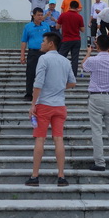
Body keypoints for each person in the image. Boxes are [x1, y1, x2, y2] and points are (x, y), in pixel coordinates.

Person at [25, 32, 76, 187]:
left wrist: (33, 104)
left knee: (40, 139)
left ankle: (35, 176)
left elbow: (38, 82)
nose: (41, 44)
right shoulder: (65, 61)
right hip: (60, 105)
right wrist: (59, 87)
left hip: (44, 105)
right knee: (58, 139)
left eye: (43, 41)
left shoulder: (44, 59)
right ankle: (61, 176)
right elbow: (72, 82)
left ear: (51, 44)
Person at [82, 34, 109, 171]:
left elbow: (84, 66)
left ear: (96, 45)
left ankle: (100, 162)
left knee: (97, 131)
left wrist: (88, 52)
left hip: (96, 97)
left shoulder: (92, 60)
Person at [20, 7, 51, 99]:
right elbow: (24, 41)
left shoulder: (46, 26)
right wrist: (22, 55)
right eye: (38, 15)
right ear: (33, 15)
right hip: (33, 53)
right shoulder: (28, 27)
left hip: (44, 53)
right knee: (30, 73)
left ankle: (45, 94)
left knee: (45, 73)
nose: (40, 17)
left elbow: (50, 40)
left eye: (42, 15)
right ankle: (29, 93)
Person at [57, 0, 85, 76]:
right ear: (77, 8)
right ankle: (73, 76)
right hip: (76, 40)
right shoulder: (79, 17)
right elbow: (82, 30)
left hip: (66, 39)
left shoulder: (63, 15)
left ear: (69, 6)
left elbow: (57, 26)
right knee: (75, 59)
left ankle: (60, 74)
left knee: (61, 57)